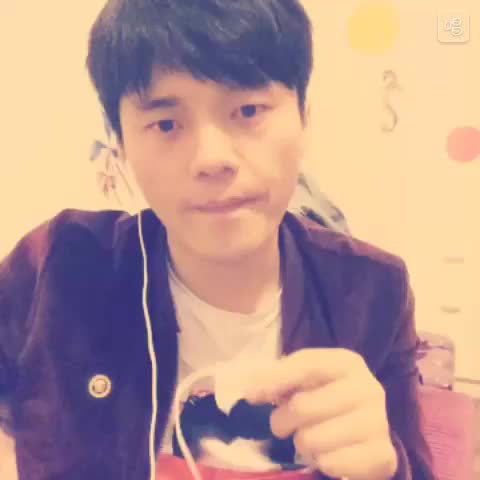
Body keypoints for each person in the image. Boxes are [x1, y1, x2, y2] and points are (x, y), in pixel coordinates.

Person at [0, 1, 435, 479]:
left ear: (303, 118)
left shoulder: (372, 290)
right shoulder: (59, 266)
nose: (211, 158)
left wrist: (387, 467)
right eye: (166, 124)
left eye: (248, 110)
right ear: (120, 143)